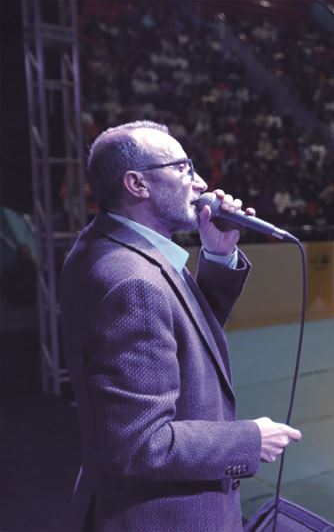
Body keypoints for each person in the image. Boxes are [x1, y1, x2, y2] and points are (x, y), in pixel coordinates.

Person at [60, 121, 302, 531]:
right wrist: (248, 440)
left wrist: (218, 254)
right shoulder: (132, 282)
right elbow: (138, 445)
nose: (202, 182)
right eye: (184, 168)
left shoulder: (106, 246)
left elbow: (179, 331)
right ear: (138, 184)